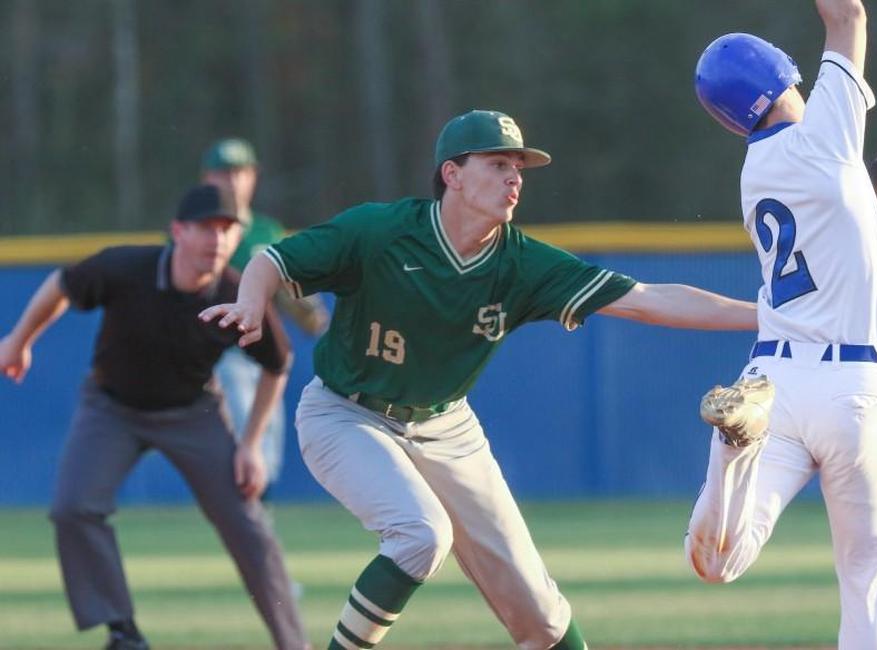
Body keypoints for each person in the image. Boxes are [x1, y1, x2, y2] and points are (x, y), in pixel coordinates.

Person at [199, 109, 759, 650]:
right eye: (498, 163)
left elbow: (647, 301)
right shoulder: (379, 231)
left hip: (446, 425)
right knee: (420, 535)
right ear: (452, 174)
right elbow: (273, 259)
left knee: (539, 615)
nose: (515, 177)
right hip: (347, 413)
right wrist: (250, 302)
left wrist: (769, 316)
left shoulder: (521, 263)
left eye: (519, 167)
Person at [686, 2, 877, 649]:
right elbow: (848, 16)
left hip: (771, 382)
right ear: (782, 82)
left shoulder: (760, 171)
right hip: (853, 385)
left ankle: (730, 452)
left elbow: (849, 200)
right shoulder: (823, 137)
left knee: (721, 562)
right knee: (866, 574)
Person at [0, 185, 308, 650]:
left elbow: (277, 364)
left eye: (227, 230)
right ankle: (122, 631)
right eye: (207, 227)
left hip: (193, 412)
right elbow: (61, 285)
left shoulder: (234, 291)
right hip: (112, 406)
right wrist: (19, 340)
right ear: (178, 231)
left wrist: (250, 444)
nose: (218, 239)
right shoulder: (127, 268)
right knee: (72, 507)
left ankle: (294, 643)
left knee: (247, 524)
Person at [201, 138, 330, 492]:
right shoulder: (196, 228)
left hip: (264, 354)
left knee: (265, 453)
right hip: (220, 353)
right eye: (224, 172)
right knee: (245, 442)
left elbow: (291, 291)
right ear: (208, 178)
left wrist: (305, 309)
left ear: (253, 176)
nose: (233, 181)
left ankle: (255, 524)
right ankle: (249, 524)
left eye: (241, 172)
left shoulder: (266, 230)